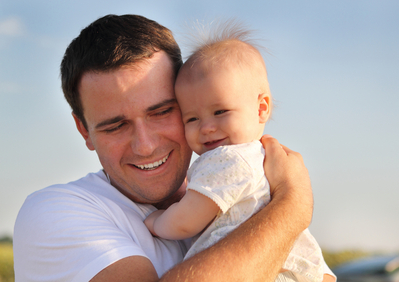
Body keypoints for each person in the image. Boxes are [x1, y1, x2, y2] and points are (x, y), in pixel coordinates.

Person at [14, 14, 321, 282]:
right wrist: (294, 204)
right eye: (115, 126)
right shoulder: (54, 213)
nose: (145, 146)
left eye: (162, 112)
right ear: (84, 131)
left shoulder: (230, 194)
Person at [144, 22, 335, 282]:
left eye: (220, 111)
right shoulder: (268, 163)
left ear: (261, 108)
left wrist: (156, 221)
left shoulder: (228, 160)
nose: (207, 128)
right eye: (191, 119)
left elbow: (186, 220)